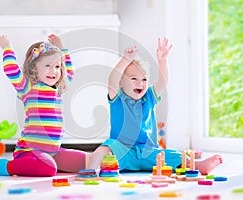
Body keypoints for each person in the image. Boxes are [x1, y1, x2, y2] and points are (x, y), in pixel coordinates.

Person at [88, 38, 223, 175]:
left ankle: (198, 165)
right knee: (106, 148)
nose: (140, 83)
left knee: (173, 155)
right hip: (124, 151)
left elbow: (163, 82)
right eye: (134, 79)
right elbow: (112, 80)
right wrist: (125, 59)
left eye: (144, 79)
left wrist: (162, 61)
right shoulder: (118, 99)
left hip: (150, 153)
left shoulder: (149, 97)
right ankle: (90, 170)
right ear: (122, 83)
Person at [0, 34, 88, 177]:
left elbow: (70, 73)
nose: (54, 71)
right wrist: (7, 47)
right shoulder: (28, 87)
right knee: (48, 169)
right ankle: (7, 166)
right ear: (34, 69)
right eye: (48, 65)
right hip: (28, 152)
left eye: (57, 66)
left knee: (85, 162)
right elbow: (11, 70)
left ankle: (48, 164)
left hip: (53, 151)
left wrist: (62, 48)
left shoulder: (58, 89)